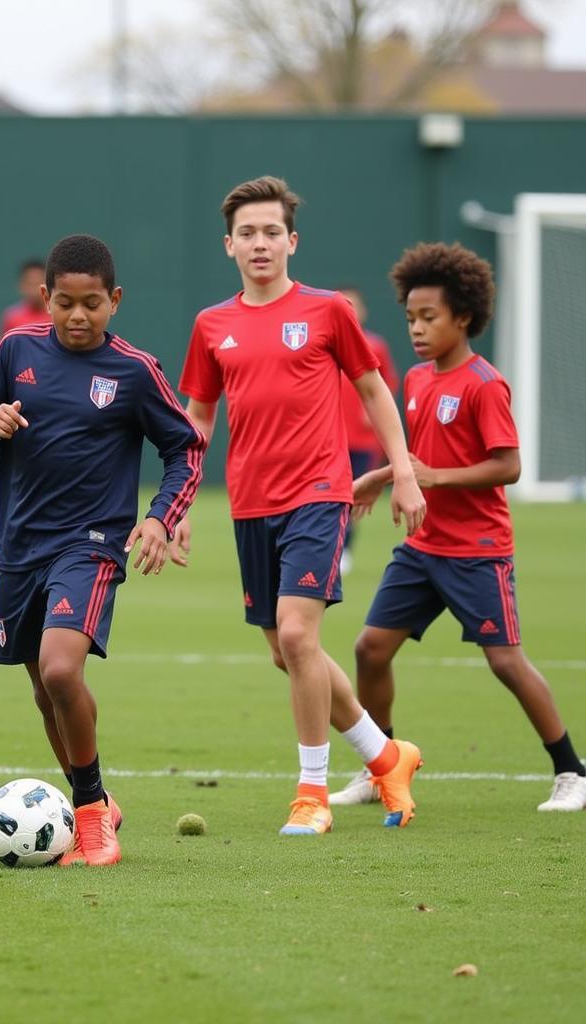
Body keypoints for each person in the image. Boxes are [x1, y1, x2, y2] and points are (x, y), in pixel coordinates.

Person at [175, 175, 426, 836]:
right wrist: (173, 505)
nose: (260, 243)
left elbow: (373, 393)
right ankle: (387, 756)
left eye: (271, 232)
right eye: (247, 233)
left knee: (296, 635)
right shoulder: (211, 325)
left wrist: (402, 471)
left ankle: (311, 794)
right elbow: (197, 419)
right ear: (229, 245)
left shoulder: (328, 311)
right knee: (290, 655)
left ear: (293, 240)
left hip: (319, 492)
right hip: (249, 504)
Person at [0, 234, 205, 865]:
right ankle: (93, 798)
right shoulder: (17, 350)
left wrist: (159, 518)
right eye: (63, 302)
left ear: (114, 300)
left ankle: (93, 814)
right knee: (45, 691)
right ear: (44, 297)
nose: (76, 315)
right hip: (20, 546)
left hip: (91, 544)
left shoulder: (133, 369)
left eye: (91, 303)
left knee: (63, 670)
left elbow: (185, 447)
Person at [331, 241, 586, 813]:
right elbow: (414, 457)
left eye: (430, 318)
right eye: (411, 318)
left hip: (477, 550)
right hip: (422, 548)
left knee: (505, 662)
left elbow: (508, 466)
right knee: (370, 649)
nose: (417, 329)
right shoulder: (418, 380)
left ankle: (572, 770)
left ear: (463, 317)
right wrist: (379, 480)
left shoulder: (483, 383)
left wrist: (434, 478)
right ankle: (383, 765)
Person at [0, 259, 50, 585]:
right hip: (17, 416)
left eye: (39, 281)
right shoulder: (13, 319)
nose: (33, 287)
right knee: (6, 488)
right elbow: (0, 365)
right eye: (28, 281)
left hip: (51, 419)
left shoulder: (58, 317)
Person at [337, 286, 399, 575]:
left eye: (354, 304)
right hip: (330, 438)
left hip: (362, 440)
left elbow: (386, 385)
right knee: (329, 497)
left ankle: (345, 548)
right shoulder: (324, 344)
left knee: (354, 496)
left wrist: (367, 411)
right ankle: (330, 548)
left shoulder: (375, 346)